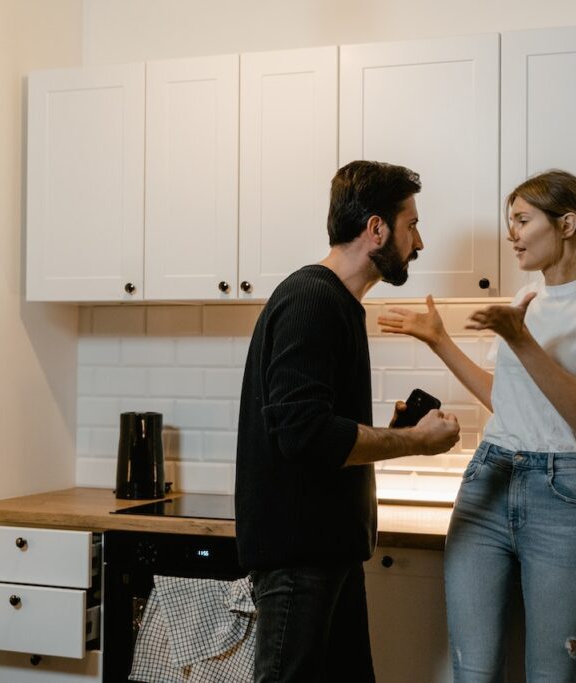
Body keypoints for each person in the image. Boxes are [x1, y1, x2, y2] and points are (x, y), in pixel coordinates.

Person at [378, 169, 576, 682]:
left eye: (523, 220)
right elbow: (507, 401)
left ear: (567, 224)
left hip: (561, 490)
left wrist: (519, 337)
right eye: (510, 222)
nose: (512, 234)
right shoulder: (528, 298)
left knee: (551, 675)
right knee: (472, 674)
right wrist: (438, 339)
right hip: (489, 479)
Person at [235, 159, 461, 683]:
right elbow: (306, 436)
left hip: (324, 554)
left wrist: (397, 428)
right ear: (376, 228)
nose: (419, 242)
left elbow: (313, 428)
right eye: (412, 225)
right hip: (299, 558)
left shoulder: (335, 303)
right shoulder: (312, 300)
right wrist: (415, 442)